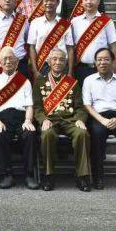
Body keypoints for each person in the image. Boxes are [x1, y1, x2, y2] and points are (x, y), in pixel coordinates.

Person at [33, 49, 91, 192]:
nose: (58, 62)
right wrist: (43, 120)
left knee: (82, 134)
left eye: (61, 59)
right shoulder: (39, 82)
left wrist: (80, 119)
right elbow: (37, 107)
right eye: (54, 59)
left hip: (70, 120)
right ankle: (49, 175)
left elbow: (80, 107)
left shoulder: (72, 83)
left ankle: (82, 175)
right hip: (50, 120)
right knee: (47, 135)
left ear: (65, 62)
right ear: (49, 61)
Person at [83, 48, 116, 191]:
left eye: (106, 59)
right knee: (96, 135)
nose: (103, 62)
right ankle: (98, 176)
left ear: (113, 62)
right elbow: (87, 105)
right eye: (99, 59)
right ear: (95, 63)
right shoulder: (89, 80)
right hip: (98, 116)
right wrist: (102, 120)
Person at [0, 46, 38, 190]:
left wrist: (28, 120)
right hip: (2, 118)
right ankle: (7, 175)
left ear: (17, 62)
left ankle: (29, 175)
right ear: (0, 63)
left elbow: (29, 105)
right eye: (4, 59)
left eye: (11, 59)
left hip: (21, 117)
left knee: (30, 133)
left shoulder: (24, 81)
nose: (8, 61)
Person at [71, 0, 116, 84]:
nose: (89, 2)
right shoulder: (75, 22)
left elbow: (113, 46)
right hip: (81, 69)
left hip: (102, 68)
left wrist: (113, 67)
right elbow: (71, 47)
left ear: (98, 0)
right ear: (82, 2)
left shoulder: (107, 21)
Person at [28, 0, 74, 79]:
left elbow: (70, 48)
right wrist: (35, 70)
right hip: (42, 65)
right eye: (46, 0)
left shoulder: (65, 24)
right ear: (42, 2)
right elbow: (32, 47)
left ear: (58, 3)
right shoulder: (35, 23)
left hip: (61, 65)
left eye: (52, 0)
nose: (48, 3)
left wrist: (70, 72)